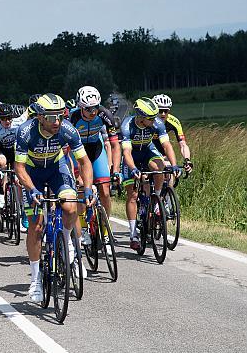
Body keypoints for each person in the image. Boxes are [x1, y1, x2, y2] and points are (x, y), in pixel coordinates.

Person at [14, 94, 95, 303]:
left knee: (69, 208)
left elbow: (84, 162)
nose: (56, 122)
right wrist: (31, 189)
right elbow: (19, 168)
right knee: (37, 225)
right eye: (51, 117)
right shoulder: (25, 132)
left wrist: (87, 189)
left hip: (57, 168)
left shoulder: (67, 129)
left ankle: (67, 244)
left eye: (60, 116)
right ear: (40, 117)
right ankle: (35, 280)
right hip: (32, 174)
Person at [120, 97, 180, 250]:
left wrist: (173, 165)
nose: (155, 120)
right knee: (132, 195)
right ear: (140, 117)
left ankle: (157, 200)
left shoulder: (157, 123)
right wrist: (133, 169)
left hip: (147, 151)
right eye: (151, 118)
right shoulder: (127, 125)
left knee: (160, 167)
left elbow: (166, 145)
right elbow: (126, 152)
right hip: (132, 156)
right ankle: (133, 234)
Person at [68, 86, 121, 242]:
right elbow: (65, 150)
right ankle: (83, 228)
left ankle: (104, 230)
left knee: (105, 189)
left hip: (95, 149)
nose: (93, 112)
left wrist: (116, 170)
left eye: (96, 108)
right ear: (80, 107)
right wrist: (73, 173)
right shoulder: (72, 118)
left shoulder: (106, 115)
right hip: (76, 152)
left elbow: (115, 145)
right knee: (81, 188)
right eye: (89, 109)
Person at [152, 94, 194, 174]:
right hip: (148, 148)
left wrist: (187, 160)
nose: (163, 114)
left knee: (169, 171)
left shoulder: (174, 121)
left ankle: (169, 186)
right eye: (160, 111)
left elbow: (183, 145)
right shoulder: (148, 121)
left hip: (162, 148)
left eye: (166, 111)